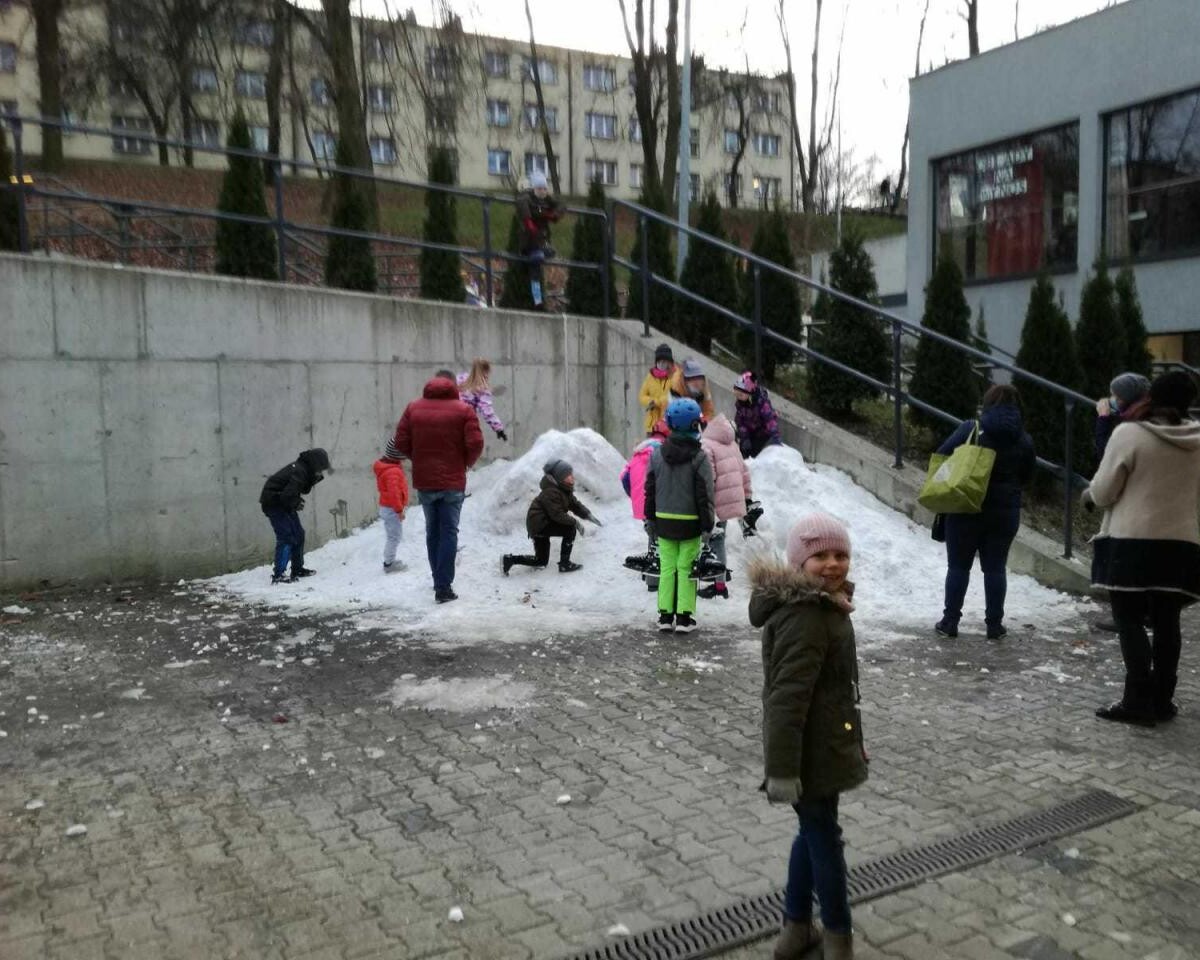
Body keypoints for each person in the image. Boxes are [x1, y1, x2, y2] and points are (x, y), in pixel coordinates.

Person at [750, 512, 866, 960]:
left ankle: (796, 929)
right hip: (807, 755)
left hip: (824, 746)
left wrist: (853, 740)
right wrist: (781, 771)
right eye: (820, 556)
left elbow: (835, 692)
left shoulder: (824, 604)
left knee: (811, 832)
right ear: (799, 563)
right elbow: (786, 701)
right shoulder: (808, 616)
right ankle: (838, 939)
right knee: (825, 842)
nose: (833, 564)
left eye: (841, 554)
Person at [1084, 370, 1200, 727]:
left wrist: (1089, 496)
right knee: (1168, 621)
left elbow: (1104, 492)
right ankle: (1163, 699)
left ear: (1151, 398)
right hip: (1182, 543)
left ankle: (1137, 700)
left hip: (1131, 542)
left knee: (1129, 619)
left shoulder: (1129, 433)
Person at [934, 384, 1036, 640]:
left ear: (988, 403)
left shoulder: (972, 429)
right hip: (1005, 512)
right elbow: (1028, 475)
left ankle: (950, 622)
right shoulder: (1023, 438)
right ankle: (994, 625)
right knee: (995, 568)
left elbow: (942, 453)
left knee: (958, 566)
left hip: (966, 505)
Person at [386, 374, 484, 604]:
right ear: (453, 389)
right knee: (449, 532)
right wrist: (465, 463)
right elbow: (476, 443)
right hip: (453, 483)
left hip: (426, 482)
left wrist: (418, 458)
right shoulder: (464, 410)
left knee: (433, 531)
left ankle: (437, 580)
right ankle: (444, 587)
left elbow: (400, 442)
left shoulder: (413, 408)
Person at [645, 397, 715, 634]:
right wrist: (707, 525)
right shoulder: (700, 457)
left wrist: (650, 520)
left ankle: (665, 616)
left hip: (664, 520)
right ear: (694, 425)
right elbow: (705, 494)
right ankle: (684, 618)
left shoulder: (656, 455)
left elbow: (650, 490)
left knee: (667, 568)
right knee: (686, 568)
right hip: (691, 523)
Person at [503, 459, 601, 574]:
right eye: (567, 475)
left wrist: (588, 515)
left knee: (541, 561)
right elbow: (557, 515)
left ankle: (509, 560)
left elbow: (575, 505)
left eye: (571, 474)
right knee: (570, 529)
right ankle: (565, 564)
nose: (571, 477)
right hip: (540, 524)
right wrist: (575, 522)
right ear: (559, 477)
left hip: (542, 523)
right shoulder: (551, 492)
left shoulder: (563, 490)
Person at [699, 413, 753, 600]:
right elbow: (744, 473)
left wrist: (703, 502)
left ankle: (708, 579)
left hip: (714, 501)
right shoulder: (732, 445)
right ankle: (719, 583)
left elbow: (708, 476)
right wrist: (747, 497)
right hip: (730, 499)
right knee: (718, 539)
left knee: (704, 541)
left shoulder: (706, 445)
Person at [259, 448, 332, 584]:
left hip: (283, 503)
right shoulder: (299, 470)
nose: (320, 472)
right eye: (320, 469)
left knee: (298, 534)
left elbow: (303, 489)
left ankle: (297, 569)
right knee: (286, 536)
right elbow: (288, 495)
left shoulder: (303, 470)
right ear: (315, 463)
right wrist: (296, 502)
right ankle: (279, 575)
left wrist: (314, 478)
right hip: (274, 503)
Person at [621, 418, 670, 591]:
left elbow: (624, 477)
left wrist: (634, 496)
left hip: (642, 504)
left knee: (652, 536)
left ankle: (651, 579)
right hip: (658, 501)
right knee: (663, 539)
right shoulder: (663, 452)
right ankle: (657, 579)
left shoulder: (638, 453)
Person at [515, 171, 563, 310]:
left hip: (541, 242)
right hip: (530, 241)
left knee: (545, 257)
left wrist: (554, 215)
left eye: (544, 188)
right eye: (539, 188)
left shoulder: (547, 199)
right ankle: (537, 300)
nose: (542, 191)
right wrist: (529, 221)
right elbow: (522, 202)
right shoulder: (527, 197)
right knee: (535, 271)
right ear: (534, 188)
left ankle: (538, 300)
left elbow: (561, 206)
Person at [1094, 372, 1151, 462]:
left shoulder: (1133, 424)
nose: (1111, 399)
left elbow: (1107, 455)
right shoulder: (1143, 414)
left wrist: (1103, 418)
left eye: (1115, 396)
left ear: (1127, 399)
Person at [733, 370, 783, 458]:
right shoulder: (740, 404)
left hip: (762, 433)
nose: (738, 398)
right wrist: (744, 437)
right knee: (743, 451)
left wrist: (776, 437)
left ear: (750, 393)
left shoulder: (762, 403)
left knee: (755, 452)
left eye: (741, 395)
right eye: (737, 395)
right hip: (749, 432)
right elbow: (740, 422)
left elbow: (770, 420)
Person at [373, 454, 409, 573]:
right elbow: (394, 493)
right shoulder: (392, 471)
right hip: (392, 509)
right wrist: (399, 510)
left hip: (388, 507)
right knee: (394, 537)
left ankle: (389, 560)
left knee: (392, 536)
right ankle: (389, 564)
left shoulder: (388, 468)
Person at [457, 358, 508, 442]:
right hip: (466, 422)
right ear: (486, 371)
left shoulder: (459, 379)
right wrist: (499, 429)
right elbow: (487, 411)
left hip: (451, 419)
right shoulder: (482, 389)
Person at [638, 343, 677, 436]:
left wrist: (658, 402)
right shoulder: (650, 377)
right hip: (652, 426)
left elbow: (675, 396)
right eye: (660, 361)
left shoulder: (675, 377)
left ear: (670, 362)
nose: (662, 364)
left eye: (665, 361)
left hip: (670, 425)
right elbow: (642, 396)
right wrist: (650, 402)